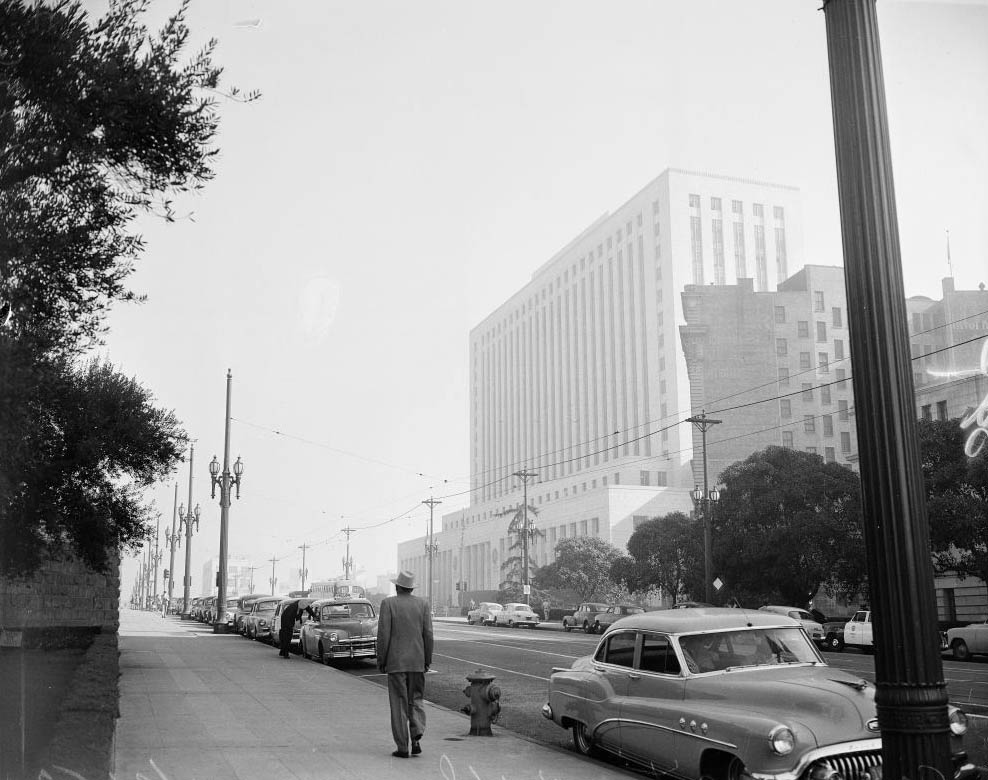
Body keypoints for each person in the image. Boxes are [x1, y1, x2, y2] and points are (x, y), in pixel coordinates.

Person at [376, 570, 434, 759]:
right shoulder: (423, 604)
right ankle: (416, 736)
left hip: (396, 663)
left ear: (397, 586)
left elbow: (384, 635)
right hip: (417, 662)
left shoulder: (388, 604)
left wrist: (381, 660)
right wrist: (427, 660)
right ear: (411, 588)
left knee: (399, 704)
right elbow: (428, 635)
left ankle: (403, 747)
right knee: (416, 699)